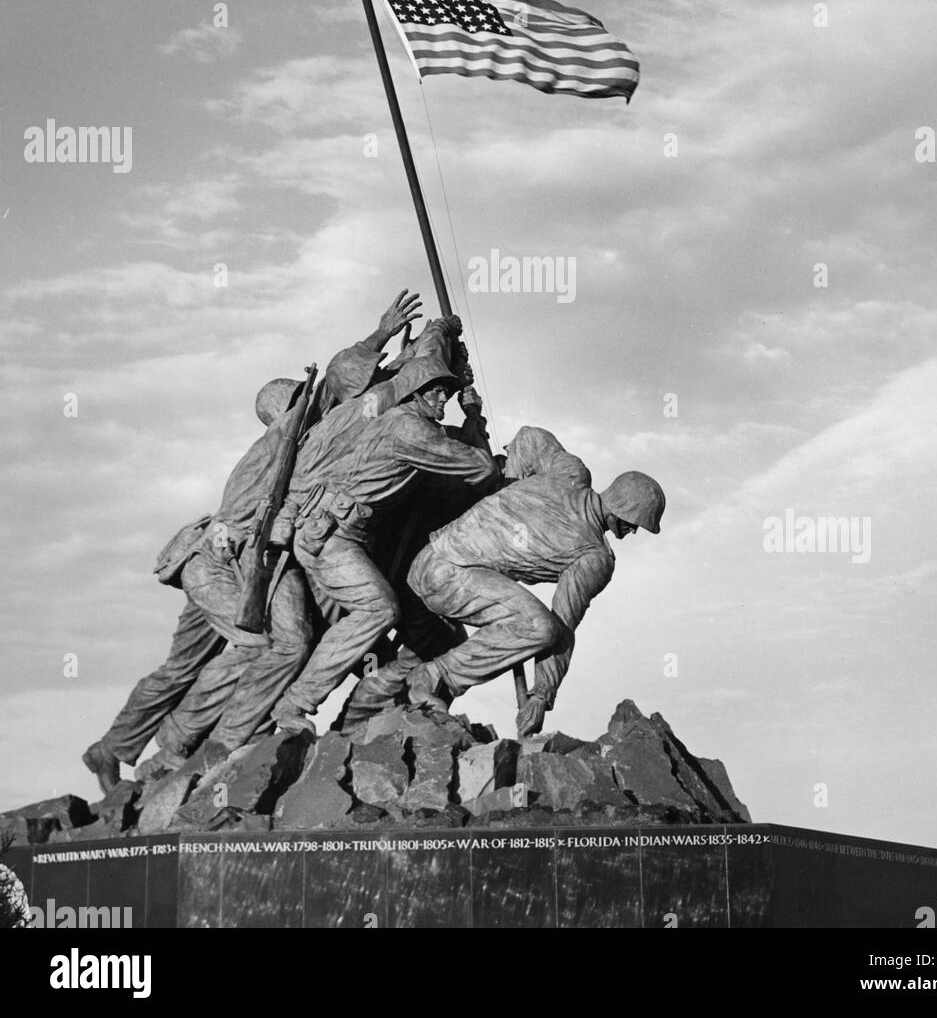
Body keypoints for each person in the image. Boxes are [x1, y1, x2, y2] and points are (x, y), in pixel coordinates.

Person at [80, 290, 425, 792]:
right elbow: (334, 384)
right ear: (289, 409)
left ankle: (112, 749)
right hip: (219, 562)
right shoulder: (282, 441)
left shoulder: (309, 448)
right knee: (271, 643)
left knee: (185, 665)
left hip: (236, 565)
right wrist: (379, 335)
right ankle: (183, 744)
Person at [269, 355, 501, 734]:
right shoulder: (410, 430)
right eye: (437, 392)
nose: (444, 400)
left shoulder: (404, 423)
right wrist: (472, 419)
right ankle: (293, 705)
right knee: (378, 610)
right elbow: (481, 469)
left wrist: (470, 417)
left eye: (448, 392)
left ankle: (367, 722)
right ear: (415, 393)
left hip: (346, 534)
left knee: (427, 637)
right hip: (330, 535)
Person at [403, 463, 665, 736]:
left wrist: (510, 484)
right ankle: (435, 676)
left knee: (422, 658)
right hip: (448, 580)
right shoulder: (595, 557)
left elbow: (529, 438)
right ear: (622, 508)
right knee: (540, 627)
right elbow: (562, 626)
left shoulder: (570, 472)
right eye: (636, 523)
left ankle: (421, 706)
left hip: (426, 558)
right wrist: (542, 695)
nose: (634, 531)